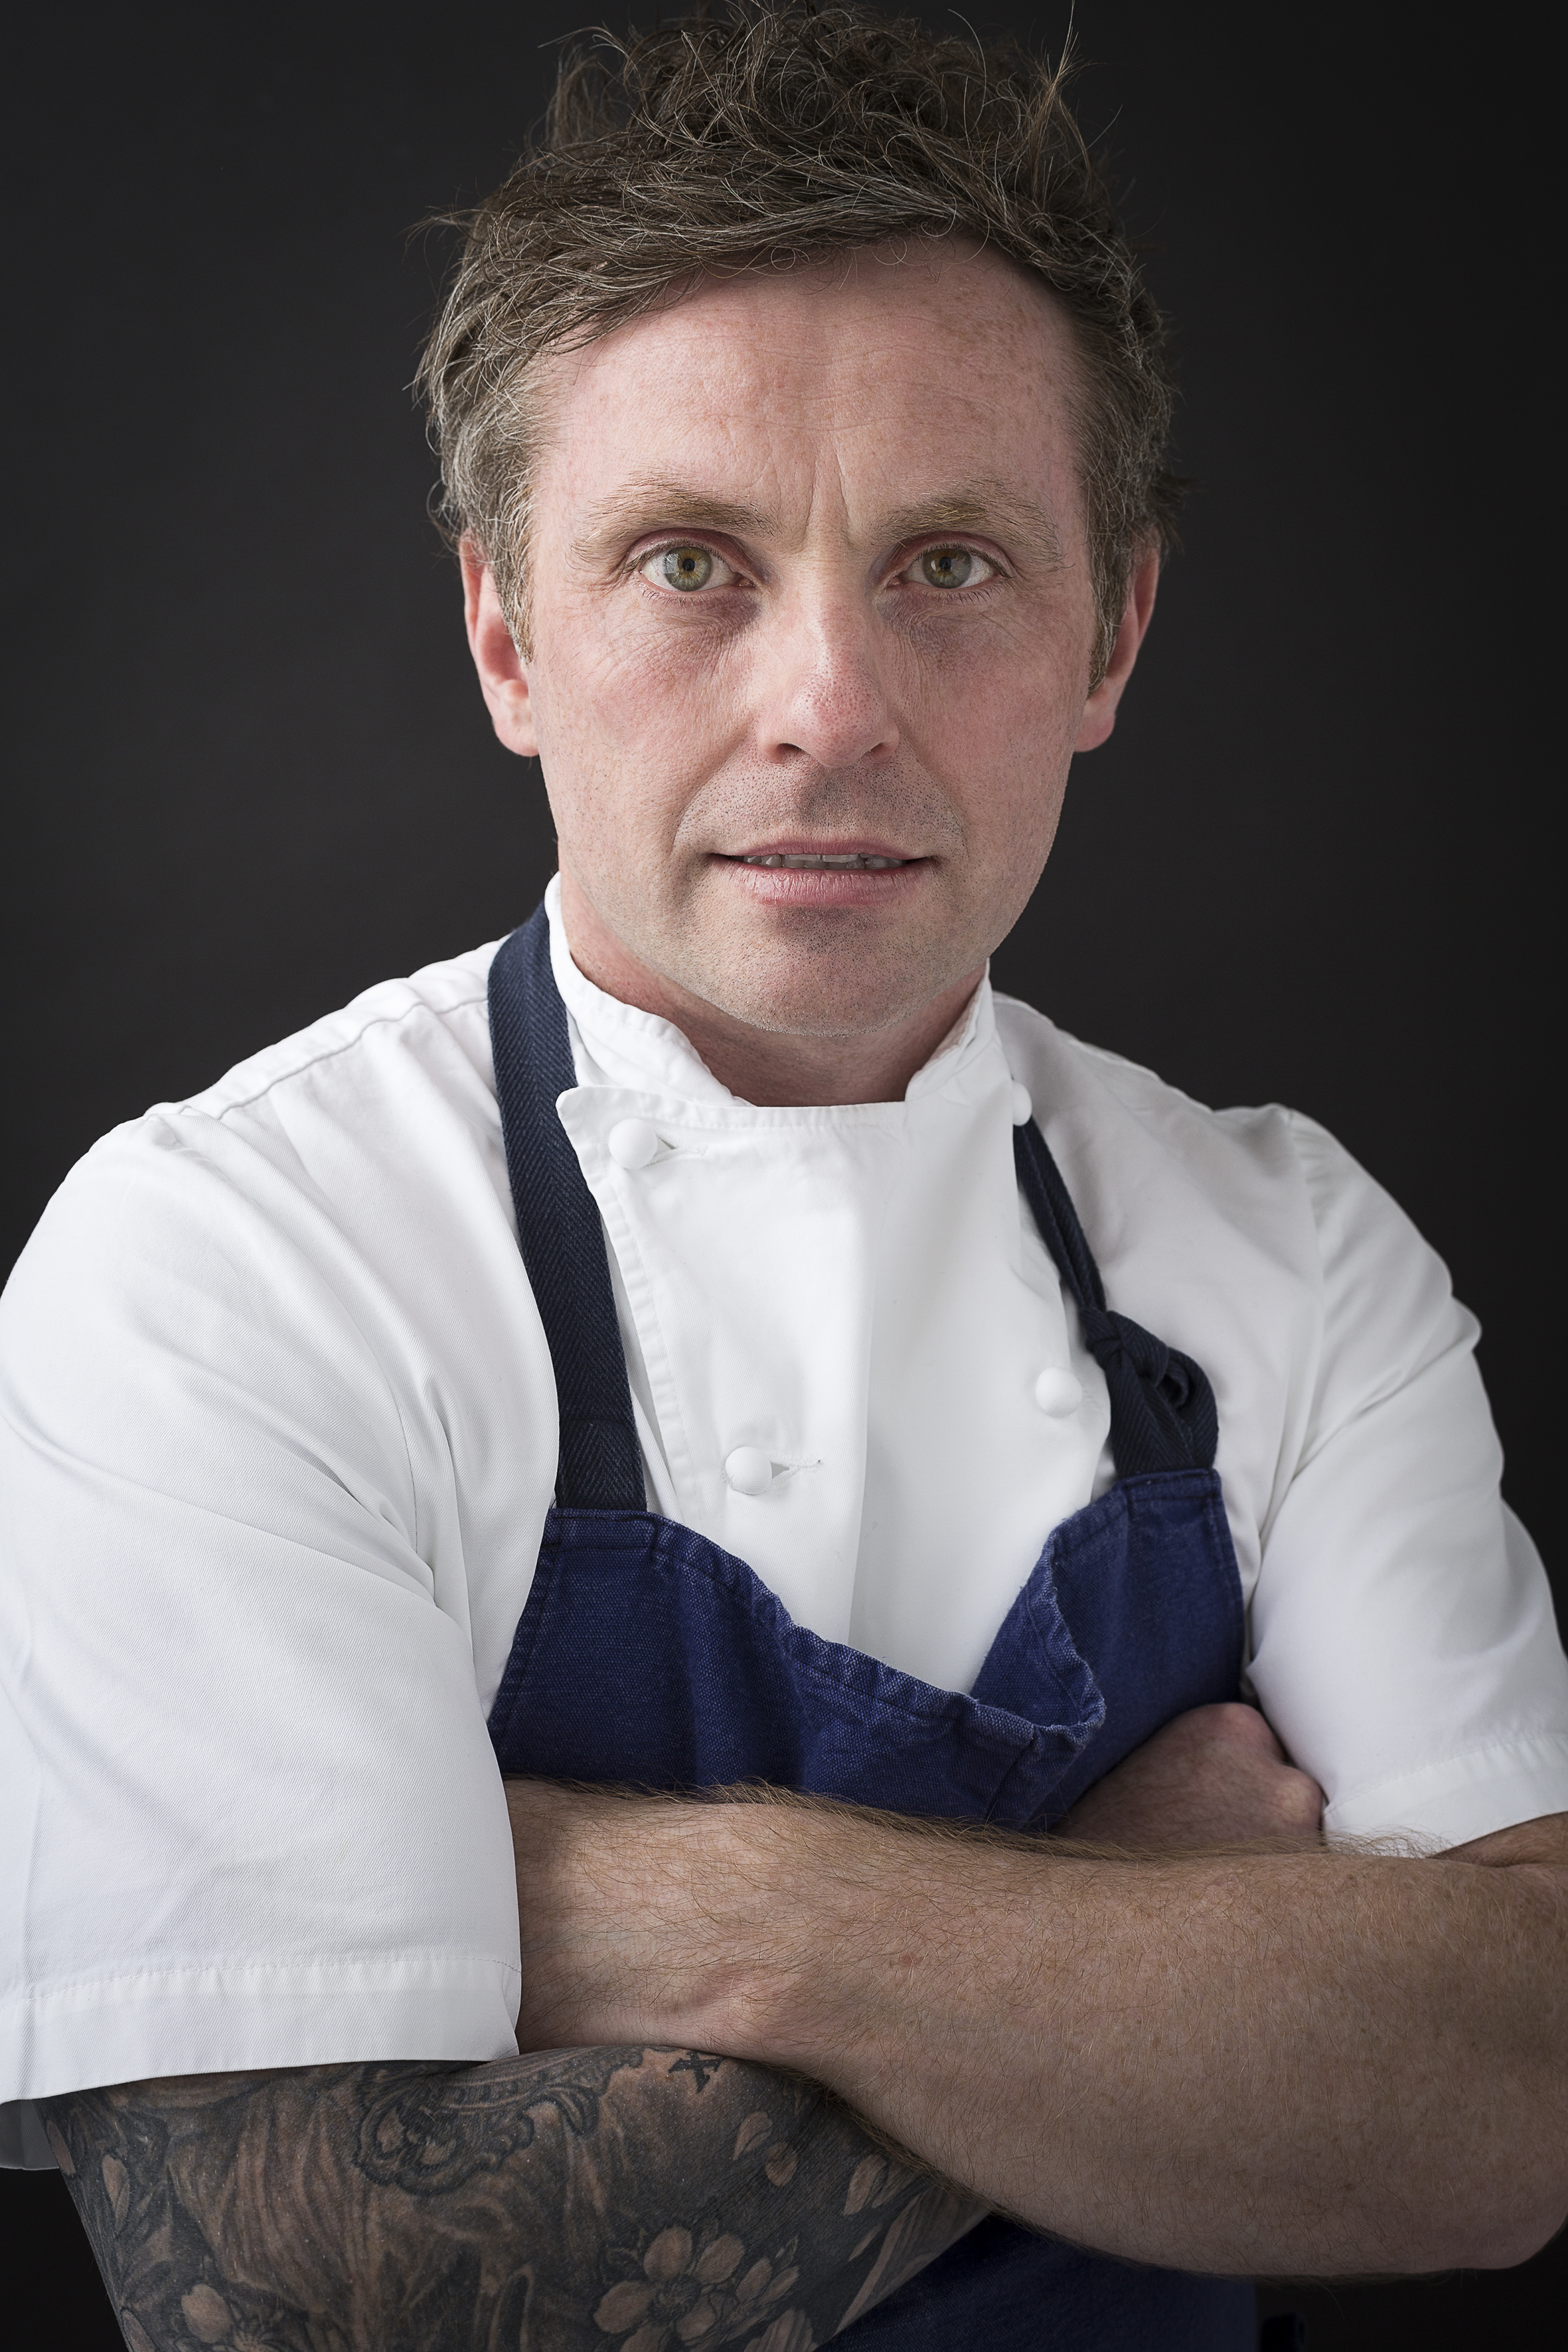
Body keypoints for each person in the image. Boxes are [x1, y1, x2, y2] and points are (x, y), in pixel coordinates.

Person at [3, 7, 1565, 2346]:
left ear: (1110, 632)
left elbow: (1512, 2099)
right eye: (685, 561)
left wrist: (705, 1918)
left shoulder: (1297, 1257)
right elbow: (296, 2292)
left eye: (947, 561)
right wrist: (1129, 1918)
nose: (827, 705)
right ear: (505, 633)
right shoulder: (229, 1265)